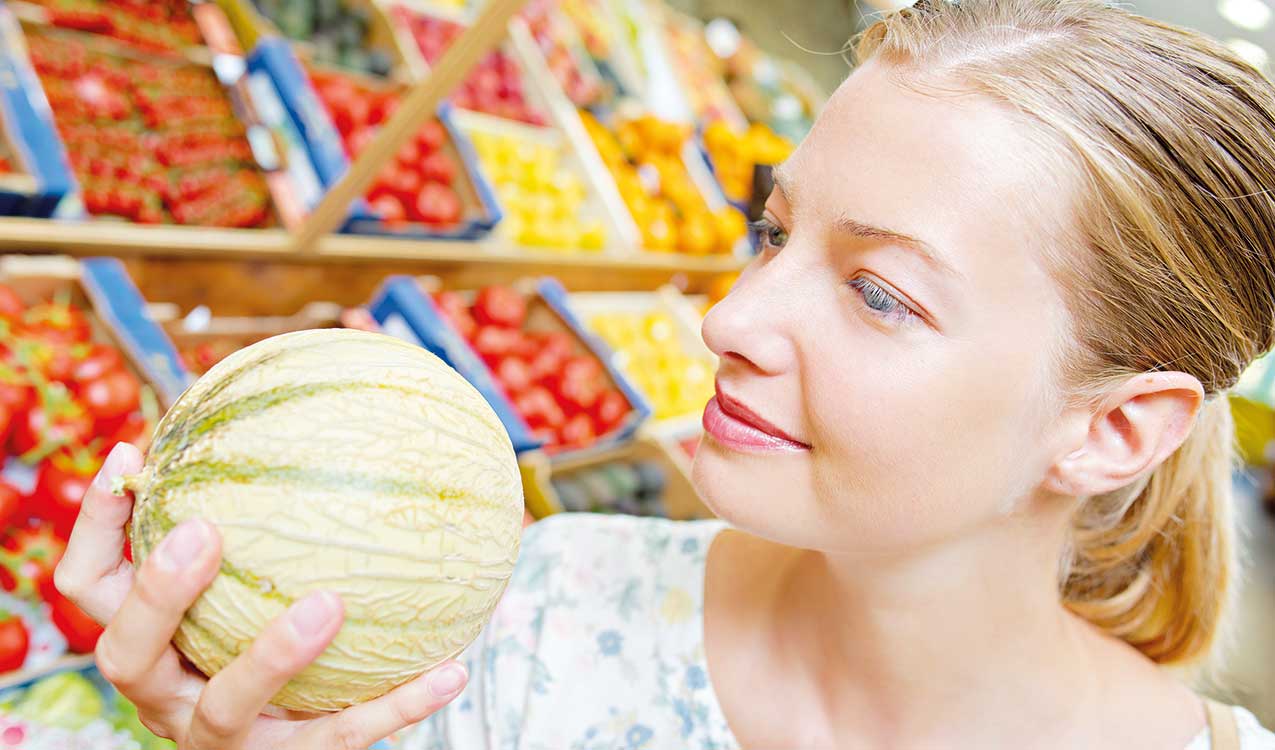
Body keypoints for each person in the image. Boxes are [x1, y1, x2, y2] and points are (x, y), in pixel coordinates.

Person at [53, 0, 1275, 747]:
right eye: (770, 230)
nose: (727, 321)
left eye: (879, 292)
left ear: (1116, 430)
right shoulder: (529, 615)